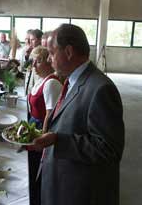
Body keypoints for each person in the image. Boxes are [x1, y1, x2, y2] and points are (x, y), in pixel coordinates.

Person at [31, 24, 125, 205]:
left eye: (51, 53)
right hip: (60, 184)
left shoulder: (101, 88)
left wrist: (58, 140)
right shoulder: (72, 81)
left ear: (68, 52)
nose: (49, 60)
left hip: (78, 193)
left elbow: (109, 149)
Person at [27, 46, 62, 205]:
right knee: (31, 169)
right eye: (33, 61)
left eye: (39, 61)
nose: (34, 65)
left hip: (42, 129)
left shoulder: (51, 83)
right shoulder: (42, 80)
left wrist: (42, 138)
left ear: (49, 62)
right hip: (34, 125)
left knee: (37, 171)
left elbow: (51, 114)